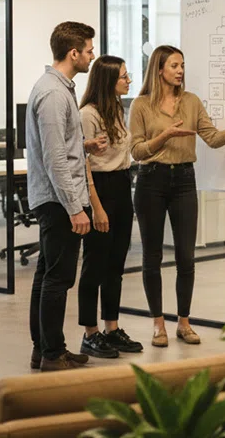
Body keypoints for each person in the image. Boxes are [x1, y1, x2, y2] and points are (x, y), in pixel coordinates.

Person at [129, 45, 225, 347]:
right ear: (159, 69)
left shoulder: (191, 102)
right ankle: (158, 325)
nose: (180, 71)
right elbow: (136, 150)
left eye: (182, 65)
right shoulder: (140, 105)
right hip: (151, 180)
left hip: (184, 181)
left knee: (185, 257)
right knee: (152, 257)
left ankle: (184, 323)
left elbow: (213, 139)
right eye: (174, 65)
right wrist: (164, 137)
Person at [26, 21, 101, 372]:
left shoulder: (56, 88)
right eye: (88, 50)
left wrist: (82, 144)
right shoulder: (55, 94)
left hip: (54, 197)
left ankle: (44, 349)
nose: (91, 56)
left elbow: (58, 145)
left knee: (47, 275)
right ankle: (53, 353)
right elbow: (55, 158)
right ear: (73, 53)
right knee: (59, 279)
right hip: (59, 201)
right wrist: (75, 208)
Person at [76, 55, 143, 358]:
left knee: (115, 264)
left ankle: (111, 328)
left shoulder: (117, 108)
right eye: (124, 77)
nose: (129, 81)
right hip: (98, 189)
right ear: (108, 80)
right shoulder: (88, 114)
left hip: (120, 184)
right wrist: (97, 207)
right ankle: (90, 333)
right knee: (95, 264)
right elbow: (84, 163)